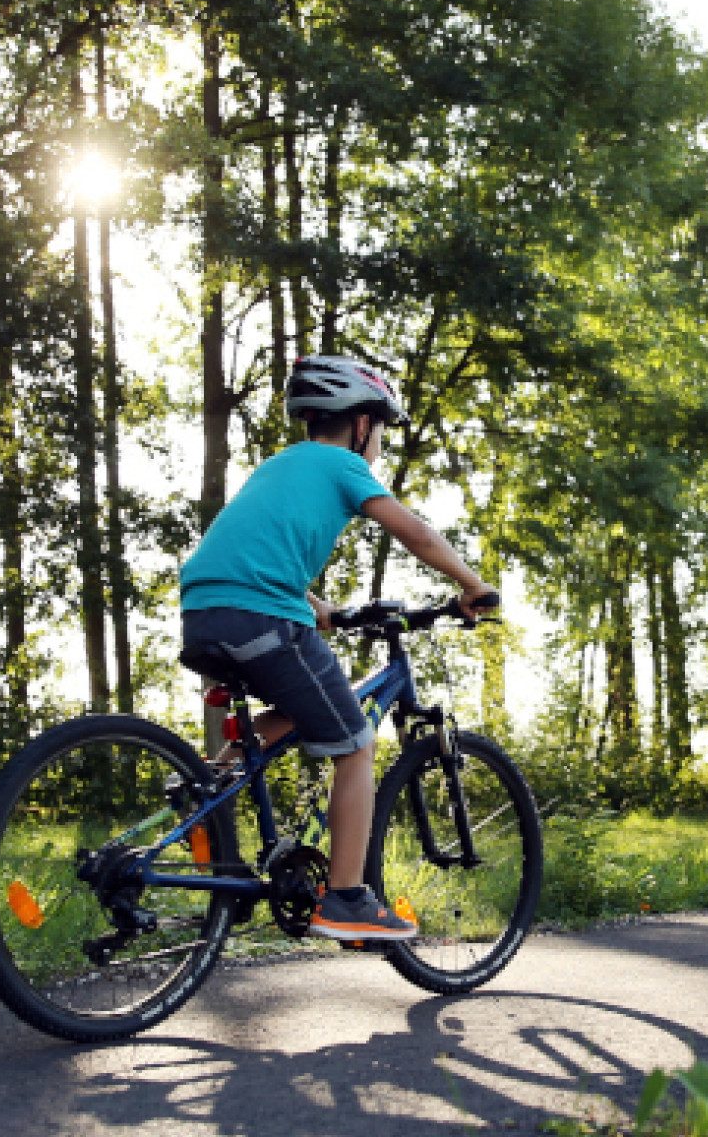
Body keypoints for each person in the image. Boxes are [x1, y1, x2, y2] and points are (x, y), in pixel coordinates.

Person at [179, 355, 497, 942]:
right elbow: (413, 530)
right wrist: (470, 584)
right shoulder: (343, 466)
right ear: (361, 424)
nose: (376, 443)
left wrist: (317, 606)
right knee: (356, 743)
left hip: (203, 612)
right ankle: (347, 897)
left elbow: (253, 550)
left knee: (294, 713)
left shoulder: (278, 468)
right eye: (379, 430)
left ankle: (204, 786)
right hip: (262, 615)